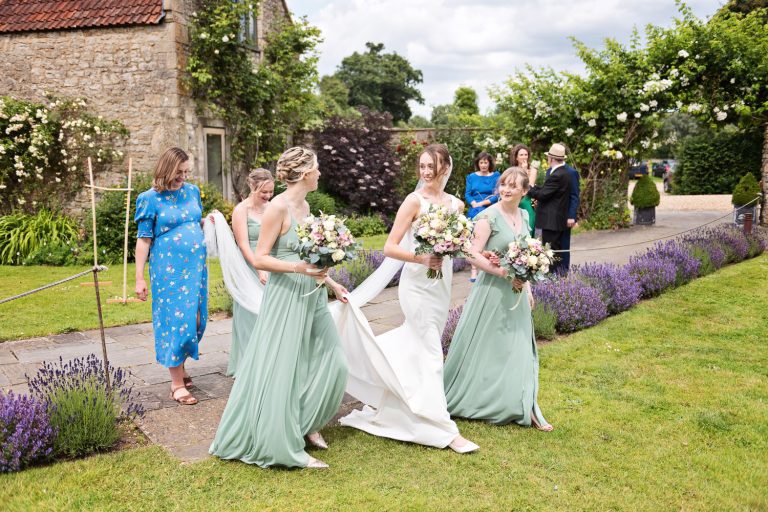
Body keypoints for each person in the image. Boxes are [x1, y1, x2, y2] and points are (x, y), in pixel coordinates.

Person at [209, 147, 349, 469]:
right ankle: (281, 440)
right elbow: (260, 258)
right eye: (316, 168)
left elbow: (311, 256)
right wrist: (299, 269)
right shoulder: (277, 207)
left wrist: (331, 282)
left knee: (336, 361)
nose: (320, 173)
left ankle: (303, 422)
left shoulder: (306, 206)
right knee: (285, 368)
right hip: (286, 295)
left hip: (313, 293)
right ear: (304, 173)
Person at [339, 144, 479, 454]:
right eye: (422, 166)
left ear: (445, 167)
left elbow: (464, 246)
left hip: (440, 284)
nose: (426, 172)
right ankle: (443, 429)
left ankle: (394, 396)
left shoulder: (456, 205)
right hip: (416, 285)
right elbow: (389, 247)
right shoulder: (413, 201)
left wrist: (490, 263)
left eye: (432, 166)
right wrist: (421, 257)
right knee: (431, 350)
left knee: (420, 343)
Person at [444, 167, 552, 430]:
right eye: (503, 184)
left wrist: (528, 288)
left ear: (524, 191)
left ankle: (525, 406)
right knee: (487, 348)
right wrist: (502, 272)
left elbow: (526, 256)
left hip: (517, 292)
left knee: (518, 348)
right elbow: (470, 253)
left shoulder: (524, 215)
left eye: (513, 186)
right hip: (491, 291)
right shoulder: (487, 217)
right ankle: (476, 399)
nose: (506, 189)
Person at [134, 147, 207, 405]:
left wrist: (209, 224)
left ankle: (181, 367)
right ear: (166, 169)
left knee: (196, 321)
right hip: (169, 272)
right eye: (179, 172)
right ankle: (176, 384)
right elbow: (144, 240)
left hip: (196, 270)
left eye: (186, 172)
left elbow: (194, 222)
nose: (183, 177)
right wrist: (139, 278)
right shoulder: (149, 199)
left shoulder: (192, 192)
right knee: (176, 323)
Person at [226, 169, 274, 377]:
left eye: (271, 192)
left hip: (272, 263)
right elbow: (243, 245)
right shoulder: (241, 210)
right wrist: (259, 268)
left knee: (271, 315)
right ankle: (249, 367)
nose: (268, 196)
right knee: (251, 316)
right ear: (252, 186)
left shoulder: (272, 208)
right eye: (264, 192)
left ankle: (269, 363)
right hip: (250, 267)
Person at [527, 143, 571, 274]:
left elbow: (542, 195)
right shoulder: (563, 172)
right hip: (556, 219)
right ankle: (557, 276)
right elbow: (547, 190)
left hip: (552, 220)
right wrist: (536, 188)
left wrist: (530, 187)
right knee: (554, 250)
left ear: (551, 158)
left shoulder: (557, 174)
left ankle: (553, 276)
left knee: (551, 251)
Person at [464, 152, 500, 282]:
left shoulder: (496, 176)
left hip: (490, 208)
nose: (483, 165)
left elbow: (498, 194)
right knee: (475, 240)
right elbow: (467, 194)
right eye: (481, 162)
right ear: (478, 163)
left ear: (489, 163)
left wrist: (483, 203)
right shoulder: (471, 177)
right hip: (475, 209)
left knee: (489, 240)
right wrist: (474, 203)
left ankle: (488, 268)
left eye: (486, 162)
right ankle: (474, 270)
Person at [548, 144, 580, 273]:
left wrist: (571, 216)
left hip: (564, 216)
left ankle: (563, 274)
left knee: (564, 246)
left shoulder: (571, 172)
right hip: (551, 217)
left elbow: (574, 195)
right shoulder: (549, 171)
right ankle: (551, 274)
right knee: (551, 247)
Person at [509, 144, 536, 236]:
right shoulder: (512, 170)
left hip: (526, 199)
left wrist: (524, 170)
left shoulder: (532, 170)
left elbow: (529, 186)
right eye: (521, 155)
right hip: (514, 199)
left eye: (526, 154)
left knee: (529, 226)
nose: (524, 157)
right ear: (516, 157)